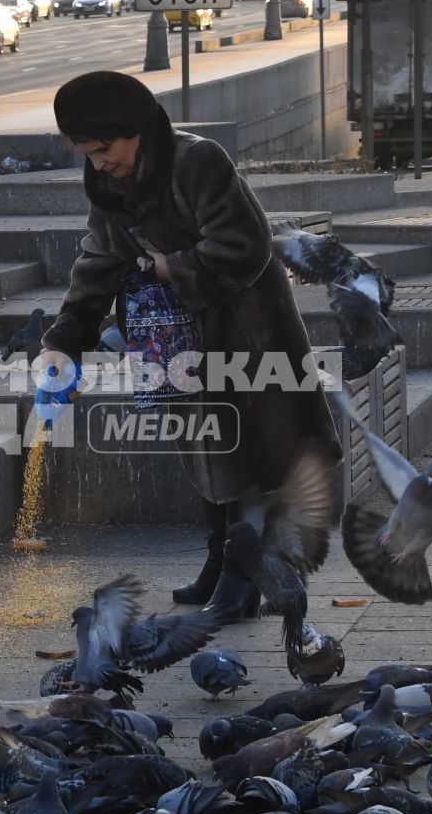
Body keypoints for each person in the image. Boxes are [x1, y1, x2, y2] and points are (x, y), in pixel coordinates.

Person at [37, 71, 343, 625]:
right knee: (204, 446)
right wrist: (64, 340)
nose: (98, 161)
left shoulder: (196, 161)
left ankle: (241, 577)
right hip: (172, 334)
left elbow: (244, 246)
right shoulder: (108, 182)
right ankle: (218, 556)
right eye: (86, 151)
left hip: (243, 328)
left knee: (244, 452)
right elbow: (100, 259)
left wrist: (165, 266)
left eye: (104, 148)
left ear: (136, 129)